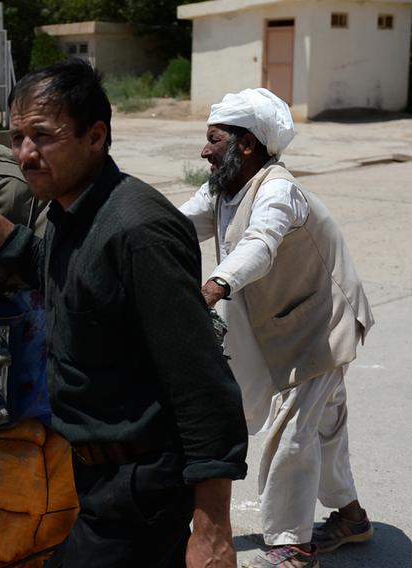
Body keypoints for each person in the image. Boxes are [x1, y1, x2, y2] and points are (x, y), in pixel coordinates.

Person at [0, 59, 248, 567]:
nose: (25, 155)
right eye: (16, 138)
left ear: (95, 136)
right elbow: (48, 268)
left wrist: (213, 533)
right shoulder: (67, 209)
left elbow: (203, 384)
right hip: (96, 476)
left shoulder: (139, 232)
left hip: (141, 486)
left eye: (42, 136)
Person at [179, 88, 375, 568]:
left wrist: (214, 284)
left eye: (214, 139)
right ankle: (351, 517)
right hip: (276, 325)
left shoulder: (277, 189)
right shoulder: (222, 188)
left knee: (294, 433)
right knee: (324, 427)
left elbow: (260, 244)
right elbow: (176, 226)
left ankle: (293, 543)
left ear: (246, 144)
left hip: (321, 325)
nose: (204, 150)